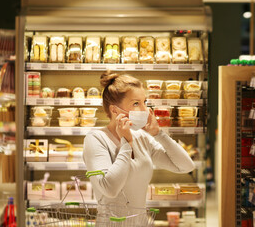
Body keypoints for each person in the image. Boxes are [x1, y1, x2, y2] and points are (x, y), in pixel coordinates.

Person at [83, 70, 195, 221]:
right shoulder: (96, 139)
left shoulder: (142, 138)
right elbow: (110, 189)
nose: (144, 110)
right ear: (115, 110)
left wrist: (158, 134)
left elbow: (186, 166)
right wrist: (126, 144)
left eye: (145, 102)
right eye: (136, 103)